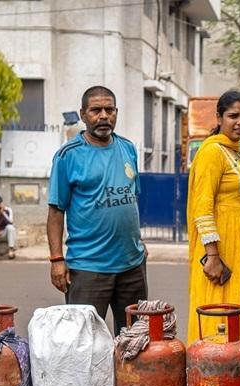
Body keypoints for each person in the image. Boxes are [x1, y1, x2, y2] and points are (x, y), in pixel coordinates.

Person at [47, 85, 146, 335]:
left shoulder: (128, 148)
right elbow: (56, 212)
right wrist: (57, 260)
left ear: (116, 112)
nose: (103, 116)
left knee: (135, 342)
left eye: (109, 110)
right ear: (83, 114)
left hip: (131, 265)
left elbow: (132, 199)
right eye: (96, 110)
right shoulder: (68, 156)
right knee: (85, 345)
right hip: (88, 268)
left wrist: (139, 243)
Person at [187, 90, 240, 347]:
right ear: (219, 117)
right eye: (233, 115)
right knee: (222, 314)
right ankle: (219, 376)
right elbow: (203, 206)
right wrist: (212, 256)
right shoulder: (212, 152)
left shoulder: (236, 153)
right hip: (224, 249)